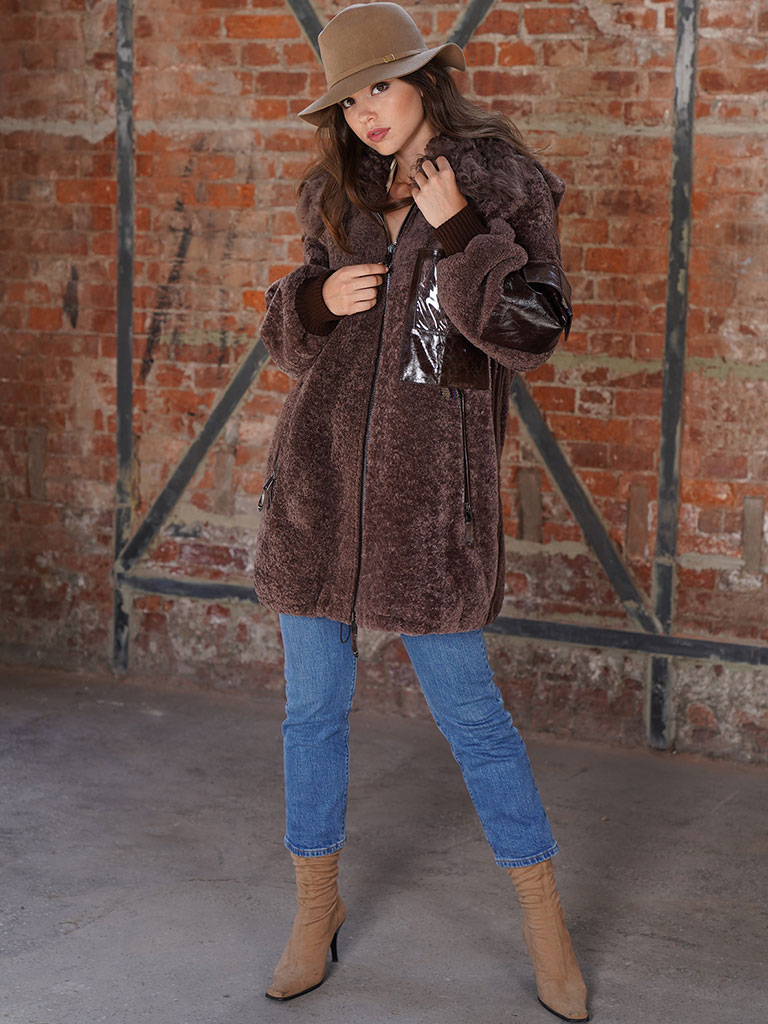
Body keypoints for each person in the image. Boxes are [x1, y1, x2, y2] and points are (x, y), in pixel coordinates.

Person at [254, 4, 588, 1020]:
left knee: (474, 719)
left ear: (426, 81)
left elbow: (531, 331)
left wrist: (460, 232)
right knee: (312, 712)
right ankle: (315, 908)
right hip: (318, 489)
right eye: (350, 99)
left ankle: (546, 927)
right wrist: (315, 304)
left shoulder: (501, 185)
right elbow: (292, 338)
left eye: (381, 87)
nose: (367, 113)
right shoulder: (339, 191)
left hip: (429, 505)